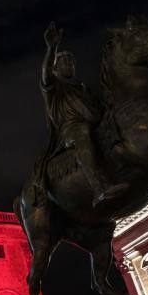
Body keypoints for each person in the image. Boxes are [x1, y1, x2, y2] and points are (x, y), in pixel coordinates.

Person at [36, 22, 127, 208]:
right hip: (71, 129)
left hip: (95, 123)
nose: (70, 65)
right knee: (82, 133)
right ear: (55, 68)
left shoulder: (83, 89)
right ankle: (99, 186)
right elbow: (45, 73)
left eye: (72, 62)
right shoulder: (53, 89)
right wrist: (52, 47)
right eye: (65, 62)